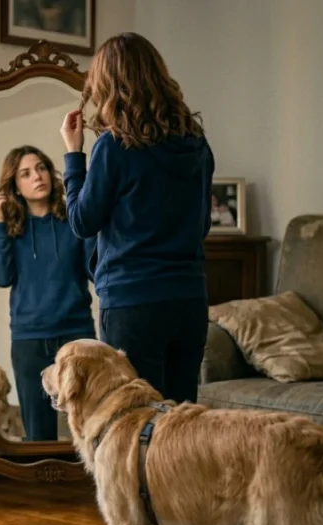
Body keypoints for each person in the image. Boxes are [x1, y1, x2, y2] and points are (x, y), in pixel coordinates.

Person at [59, 32, 214, 408]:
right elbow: (203, 226)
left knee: (135, 425)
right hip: (189, 300)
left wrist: (73, 156)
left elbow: (82, 221)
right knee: (180, 431)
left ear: (110, 84)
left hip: (133, 303)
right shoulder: (197, 143)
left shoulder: (115, 146)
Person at [0, 145, 96, 442]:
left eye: (42, 168)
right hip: (29, 340)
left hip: (77, 335)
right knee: (38, 432)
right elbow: (1, 277)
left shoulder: (74, 219)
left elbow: (94, 270)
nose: (38, 176)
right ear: (15, 186)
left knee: (89, 423)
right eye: (26, 173)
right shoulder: (11, 229)